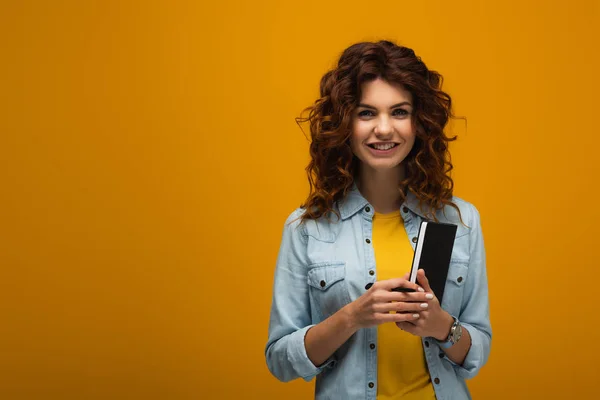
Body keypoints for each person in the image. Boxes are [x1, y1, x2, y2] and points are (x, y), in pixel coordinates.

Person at [265, 40, 491, 400]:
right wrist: (352, 317)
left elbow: (477, 349)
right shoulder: (306, 229)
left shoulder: (460, 221)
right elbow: (280, 360)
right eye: (366, 113)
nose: (384, 129)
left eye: (399, 112)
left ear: (420, 123)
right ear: (344, 124)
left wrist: (440, 326)